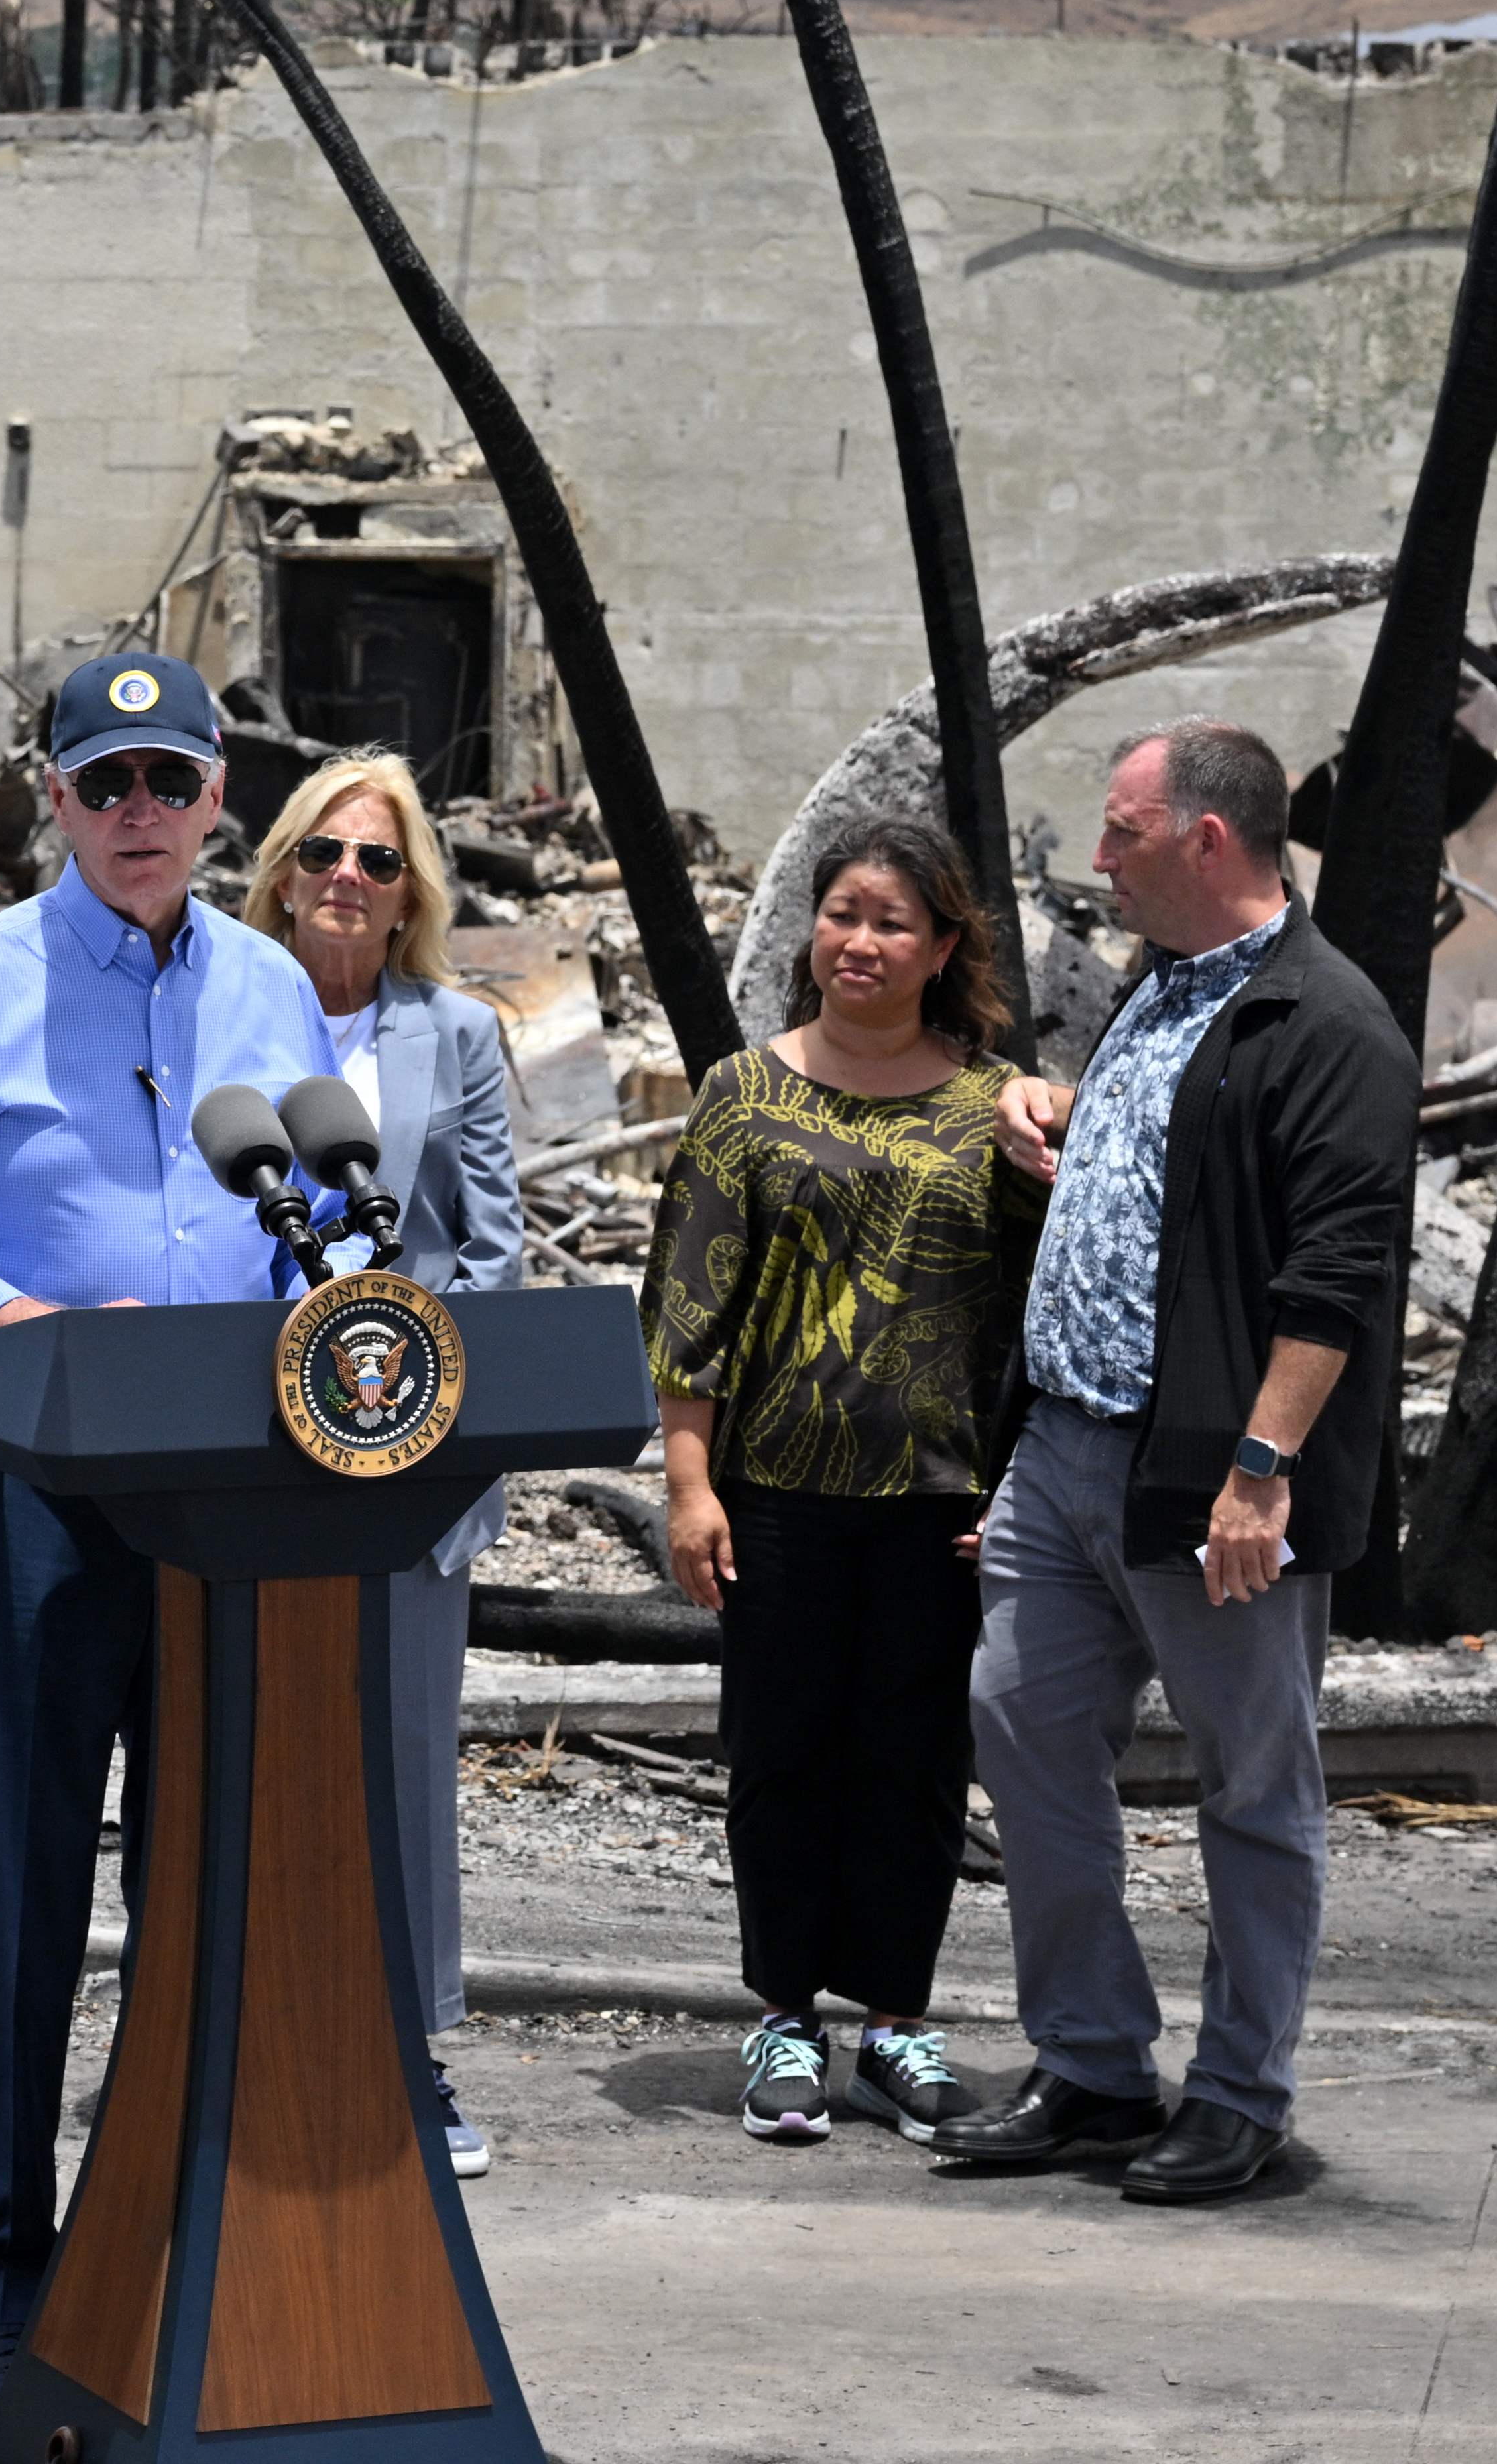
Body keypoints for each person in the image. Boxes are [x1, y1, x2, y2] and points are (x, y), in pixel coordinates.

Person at [0, 649, 339, 2435]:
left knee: (208, 1900)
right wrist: (28, 1331)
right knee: (29, 1903)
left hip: (236, 1506)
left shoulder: (281, 993)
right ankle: (8, 2285)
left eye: (169, 780)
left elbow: (321, 1229)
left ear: (220, 798)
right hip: (40, 1502)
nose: (138, 813)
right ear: (47, 798)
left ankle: (182, 2247)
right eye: (103, 781)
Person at [926, 720, 1412, 2206]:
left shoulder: (1330, 1024)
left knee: (1254, 1787)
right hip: (1067, 1454)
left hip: (1208, 1478)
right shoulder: (1162, 992)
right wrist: (1057, 1112)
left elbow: (1338, 1275)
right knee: (1020, 1732)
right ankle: (1091, 2065)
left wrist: (1261, 1469)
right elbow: (1173, 1178)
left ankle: (1240, 2092)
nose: (1099, 860)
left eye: (1123, 832)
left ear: (1208, 839)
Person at [645, 815, 1040, 2150]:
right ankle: (785, 2019)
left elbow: (1039, 1315)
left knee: (917, 1763)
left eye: (893, 922)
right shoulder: (743, 1095)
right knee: (781, 1752)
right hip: (776, 1493)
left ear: (943, 949)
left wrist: (1022, 1481)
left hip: (943, 1501)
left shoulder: (1000, 1111)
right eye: (843, 913)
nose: (861, 942)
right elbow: (690, 1306)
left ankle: (900, 2024)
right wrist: (689, 1484)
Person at [235, 744, 524, 2181]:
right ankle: (244, 2041)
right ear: (283, 869)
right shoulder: (221, 1014)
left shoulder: (452, 1034)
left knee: (400, 1761)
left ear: (410, 892)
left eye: (380, 860)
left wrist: (404, 1383)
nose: (348, 880)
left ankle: (411, 2052)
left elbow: (492, 1247)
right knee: (244, 1756)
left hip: (400, 1443)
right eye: (326, 853)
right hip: (231, 1448)